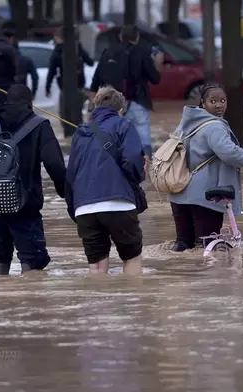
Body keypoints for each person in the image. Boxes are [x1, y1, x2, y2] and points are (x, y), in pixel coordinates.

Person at [0, 78, 67, 275]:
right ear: (30, 103)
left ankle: (1, 301)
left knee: (0, 257)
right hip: (25, 205)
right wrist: (67, 194)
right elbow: (55, 164)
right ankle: (28, 302)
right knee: (32, 260)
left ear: (7, 100)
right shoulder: (40, 125)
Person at [167, 84, 243, 252]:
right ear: (203, 103)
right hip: (206, 197)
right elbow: (232, 154)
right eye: (213, 101)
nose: (219, 105)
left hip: (178, 194)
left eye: (223, 100)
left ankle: (180, 277)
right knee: (207, 248)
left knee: (183, 248)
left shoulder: (185, 124)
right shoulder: (214, 126)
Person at [65, 86, 146, 275]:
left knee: (97, 267)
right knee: (131, 258)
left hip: (84, 209)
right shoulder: (123, 125)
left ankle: (99, 302)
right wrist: (136, 182)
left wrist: (74, 208)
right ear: (120, 110)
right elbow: (133, 161)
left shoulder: (81, 132)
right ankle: (134, 302)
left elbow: (71, 174)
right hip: (119, 204)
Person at [90, 25, 163, 160]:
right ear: (137, 37)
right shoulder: (142, 52)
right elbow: (155, 79)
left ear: (120, 37)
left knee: (115, 137)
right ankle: (145, 170)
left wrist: (93, 108)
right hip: (137, 101)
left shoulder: (108, 52)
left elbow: (95, 82)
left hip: (112, 104)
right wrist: (158, 63)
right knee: (142, 137)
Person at [45, 28, 93, 125]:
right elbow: (90, 62)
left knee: (65, 115)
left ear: (59, 38)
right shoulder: (77, 48)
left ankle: (69, 132)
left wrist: (48, 86)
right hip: (79, 85)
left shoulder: (58, 51)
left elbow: (52, 71)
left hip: (65, 87)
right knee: (78, 113)